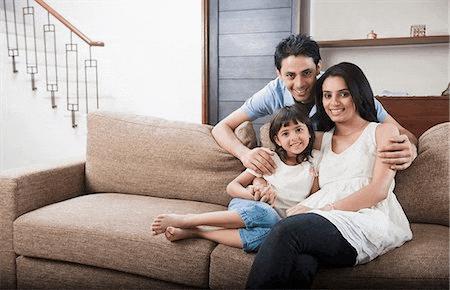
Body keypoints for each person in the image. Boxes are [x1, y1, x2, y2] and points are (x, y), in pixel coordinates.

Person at [245, 62, 413, 289]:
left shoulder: (382, 131)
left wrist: (321, 211)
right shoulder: (320, 139)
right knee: (301, 264)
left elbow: (378, 191)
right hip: (322, 220)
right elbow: (280, 142)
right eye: (327, 95)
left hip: (365, 218)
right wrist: (258, 175)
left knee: (287, 230)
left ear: (358, 94)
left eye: (343, 94)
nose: (334, 103)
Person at [211, 34, 417, 177]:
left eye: (307, 73)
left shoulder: (340, 93)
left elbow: (405, 134)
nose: (300, 84)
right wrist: (245, 154)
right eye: (290, 75)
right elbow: (222, 127)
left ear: (319, 67)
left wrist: (410, 149)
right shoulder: (272, 92)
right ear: (278, 73)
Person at [151, 105, 320, 252]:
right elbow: (232, 186)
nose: (294, 138)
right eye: (286, 133)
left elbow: (314, 200)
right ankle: (188, 219)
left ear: (309, 132)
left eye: (299, 130)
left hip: (274, 221)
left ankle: (196, 232)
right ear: (277, 140)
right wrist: (253, 194)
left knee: (271, 238)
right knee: (268, 215)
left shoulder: (314, 164)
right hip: (248, 205)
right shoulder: (269, 158)